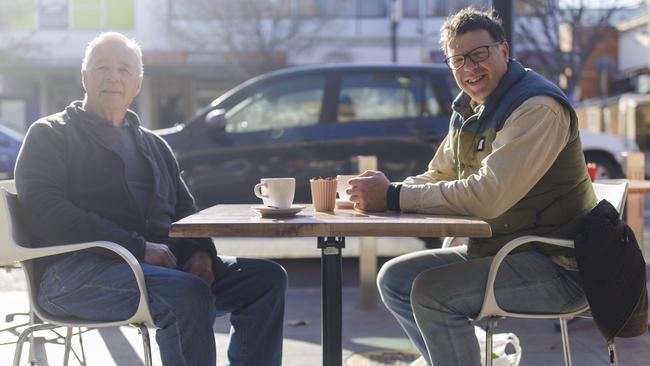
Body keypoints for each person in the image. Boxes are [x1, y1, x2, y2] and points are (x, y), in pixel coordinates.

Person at [14, 32, 287, 366]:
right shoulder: (51, 134)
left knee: (266, 280)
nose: (114, 76)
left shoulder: (154, 145)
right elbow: (46, 211)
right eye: (102, 67)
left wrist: (201, 252)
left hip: (155, 270)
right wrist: (137, 248)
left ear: (138, 83)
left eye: (124, 69)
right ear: (84, 77)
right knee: (186, 294)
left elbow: (185, 209)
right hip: (71, 276)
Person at [347, 8, 596, 366]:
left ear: (504, 51)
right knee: (395, 279)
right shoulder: (469, 110)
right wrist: (377, 192)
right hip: (504, 250)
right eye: (458, 59)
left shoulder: (537, 108)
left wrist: (391, 195)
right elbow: (440, 175)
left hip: (559, 266)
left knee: (433, 294)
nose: (470, 67)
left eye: (480, 54)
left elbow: (488, 197)